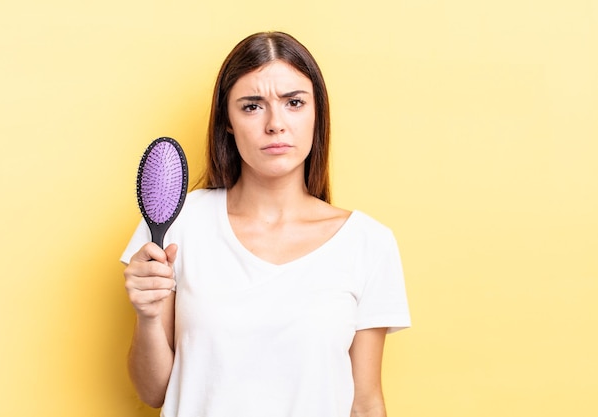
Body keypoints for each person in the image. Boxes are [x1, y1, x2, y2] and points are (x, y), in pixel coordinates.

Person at [121, 31, 410, 417]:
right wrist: (148, 315)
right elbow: (153, 390)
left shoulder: (368, 243)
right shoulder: (179, 221)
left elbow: (365, 402)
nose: (275, 123)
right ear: (227, 121)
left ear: (316, 113)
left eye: (293, 102)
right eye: (252, 106)